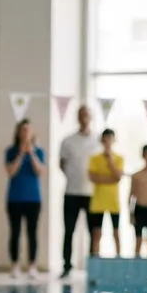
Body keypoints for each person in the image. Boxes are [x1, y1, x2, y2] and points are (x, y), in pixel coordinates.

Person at [2, 118, 46, 278]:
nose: (26, 133)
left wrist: (31, 152)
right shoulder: (10, 151)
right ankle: (14, 265)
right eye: (23, 129)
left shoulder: (39, 151)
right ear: (18, 132)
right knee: (15, 232)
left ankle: (32, 265)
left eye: (28, 130)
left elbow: (40, 171)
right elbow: (11, 171)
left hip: (33, 198)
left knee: (32, 233)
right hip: (14, 198)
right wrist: (21, 153)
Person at [59, 106, 96, 278]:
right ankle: (66, 265)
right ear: (77, 118)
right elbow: (62, 164)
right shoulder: (68, 141)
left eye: (86, 115)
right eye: (81, 116)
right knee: (69, 230)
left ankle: (93, 266)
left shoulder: (98, 141)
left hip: (92, 193)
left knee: (93, 232)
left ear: (91, 117)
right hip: (71, 192)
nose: (84, 119)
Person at [87, 128, 124, 257]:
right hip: (98, 201)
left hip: (113, 201)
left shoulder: (119, 158)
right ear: (102, 141)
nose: (107, 142)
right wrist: (110, 179)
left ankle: (119, 261)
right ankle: (95, 261)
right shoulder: (94, 158)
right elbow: (92, 177)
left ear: (114, 140)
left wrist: (110, 160)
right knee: (96, 233)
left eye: (110, 139)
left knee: (116, 232)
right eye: (105, 139)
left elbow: (118, 177)